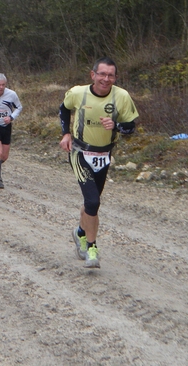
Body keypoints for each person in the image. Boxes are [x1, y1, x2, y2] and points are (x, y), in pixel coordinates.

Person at [59, 57, 139, 268]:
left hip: (104, 155)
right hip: (79, 152)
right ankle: (92, 250)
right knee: (93, 202)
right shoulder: (78, 93)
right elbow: (64, 108)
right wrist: (65, 133)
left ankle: (79, 233)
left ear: (115, 77)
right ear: (93, 75)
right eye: (102, 74)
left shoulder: (121, 97)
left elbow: (131, 128)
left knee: (90, 203)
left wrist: (116, 126)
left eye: (110, 75)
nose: (106, 79)